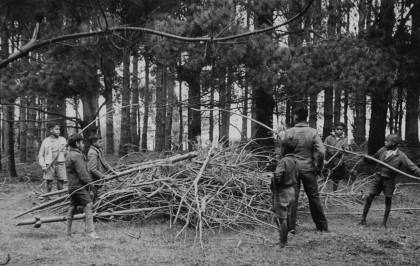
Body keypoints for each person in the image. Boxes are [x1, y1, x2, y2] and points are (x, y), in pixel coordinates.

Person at [359, 134, 420, 227]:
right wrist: (365, 157)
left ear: (393, 143)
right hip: (378, 177)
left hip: (389, 180)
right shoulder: (382, 150)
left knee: (388, 199)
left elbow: (412, 166)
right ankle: (363, 219)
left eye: (387, 141)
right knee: (370, 197)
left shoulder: (401, 156)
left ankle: (384, 223)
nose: (385, 142)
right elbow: (372, 159)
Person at [285, 107, 328, 233]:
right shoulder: (313, 132)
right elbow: (321, 152)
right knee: (314, 197)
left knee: (292, 197)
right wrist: (318, 167)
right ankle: (322, 226)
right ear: (306, 118)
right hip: (309, 168)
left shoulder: (289, 132)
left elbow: (284, 153)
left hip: (292, 168)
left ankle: (290, 227)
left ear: (295, 117)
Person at [65, 133, 101, 239]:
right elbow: (83, 173)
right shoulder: (77, 155)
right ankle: (91, 232)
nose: (83, 144)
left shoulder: (69, 155)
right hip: (78, 186)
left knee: (73, 206)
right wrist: (90, 184)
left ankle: (68, 232)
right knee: (89, 204)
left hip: (72, 186)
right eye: (81, 142)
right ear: (77, 143)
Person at [270, 138, 299, 248]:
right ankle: (284, 240)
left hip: (283, 191)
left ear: (284, 148)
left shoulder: (284, 161)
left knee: (282, 218)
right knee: (286, 216)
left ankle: (283, 242)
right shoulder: (296, 160)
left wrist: (274, 186)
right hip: (292, 190)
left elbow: (278, 175)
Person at [38, 123, 67, 198]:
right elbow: (40, 155)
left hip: (60, 164)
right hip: (49, 164)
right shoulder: (46, 141)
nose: (58, 131)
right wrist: (43, 165)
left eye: (59, 129)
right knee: (49, 185)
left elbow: (66, 153)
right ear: (51, 130)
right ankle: (46, 200)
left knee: (60, 184)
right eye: (56, 129)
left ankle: (60, 200)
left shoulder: (63, 140)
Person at [87, 134, 115, 201]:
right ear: (93, 142)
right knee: (91, 196)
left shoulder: (99, 150)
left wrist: (112, 171)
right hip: (93, 180)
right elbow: (92, 169)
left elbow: (104, 162)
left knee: (95, 195)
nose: (101, 143)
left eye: (101, 141)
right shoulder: (92, 153)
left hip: (97, 179)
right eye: (99, 142)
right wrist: (103, 176)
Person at [323, 122, 348, 192]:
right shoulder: (329, 138)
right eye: (337, 129)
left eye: (341, 129)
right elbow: (324, 149)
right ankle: (322, 189)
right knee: (325, 174)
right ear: (334, 129)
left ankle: (334, 191)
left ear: (343, 130)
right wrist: (324, 159)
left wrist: (344, 150)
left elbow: (346, 151)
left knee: (336, 177)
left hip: (338, 159)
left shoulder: (344, 140)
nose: (339, 131)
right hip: (329, 158)